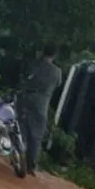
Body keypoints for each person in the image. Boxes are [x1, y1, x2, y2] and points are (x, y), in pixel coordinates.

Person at [18, 42, 62, 176]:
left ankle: (19, 156)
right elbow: (58, 84)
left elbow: (24, 77)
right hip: (42, 103)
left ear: (43, 51)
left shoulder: (33, 64)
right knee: (36, 135)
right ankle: (31, 165)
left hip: (26, 98)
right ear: (55, 55)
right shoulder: (57, 71)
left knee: (22, 128)